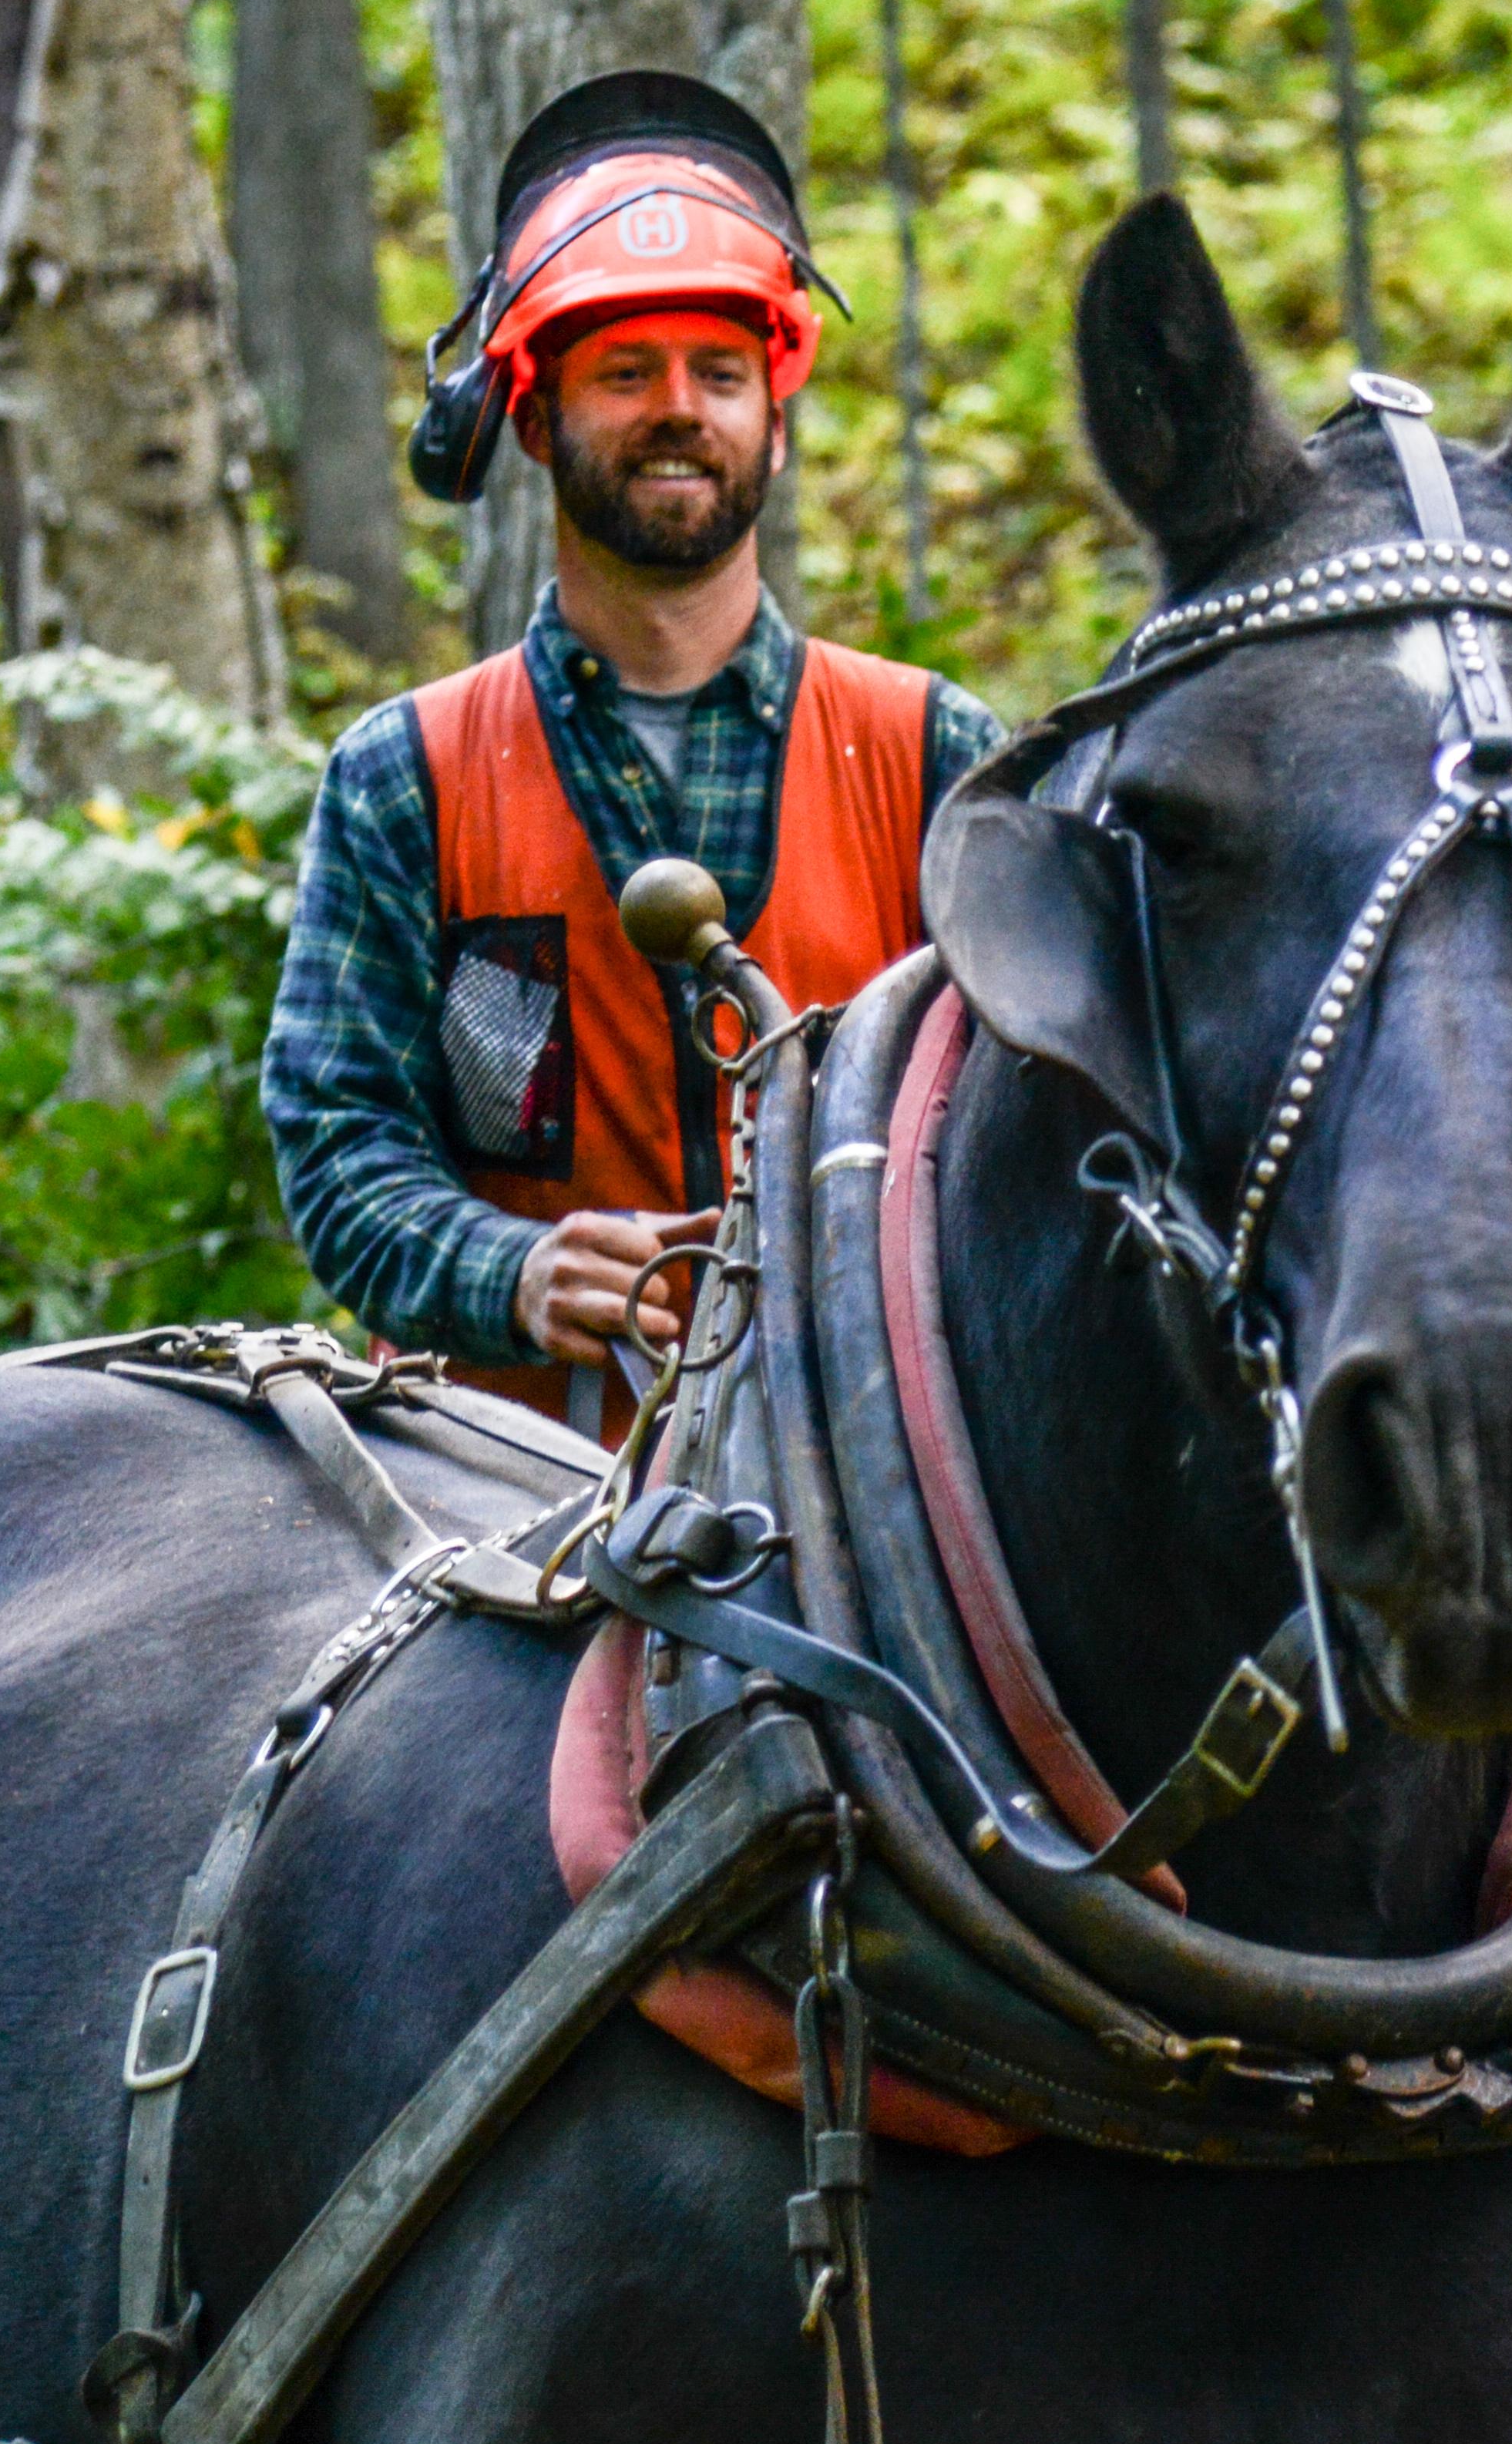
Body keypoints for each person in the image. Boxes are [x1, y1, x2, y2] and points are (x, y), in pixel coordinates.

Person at [264, 70, 1005, 1434]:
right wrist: (515, 1270)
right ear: (536, 419)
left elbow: (1037, 1137)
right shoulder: (405, 778)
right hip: (501, 1491)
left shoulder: (937, 753)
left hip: (870, 1472)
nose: (679, 407)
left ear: (773, 423)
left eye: (718, 373)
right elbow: (339, 1146)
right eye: (625, 372)